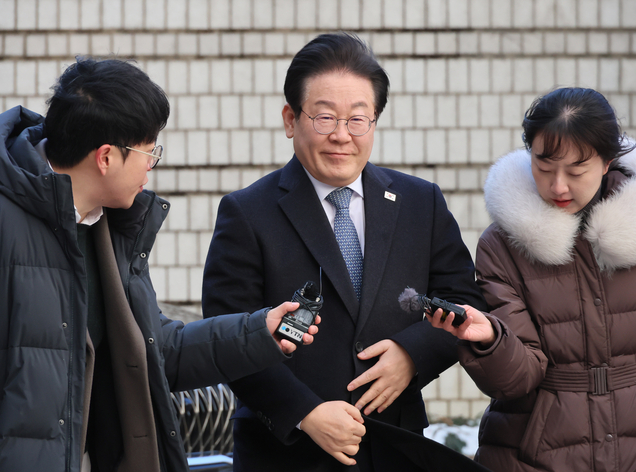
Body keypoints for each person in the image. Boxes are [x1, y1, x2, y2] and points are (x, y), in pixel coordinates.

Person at [0, 57, 319, 472]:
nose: (151, 167)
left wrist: (260, 332)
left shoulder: (110, 223)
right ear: (106, 158)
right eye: (149, 152)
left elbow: (156, 349)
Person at [201, 32, 487, 471]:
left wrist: (412, 355)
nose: (341, 136)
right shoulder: (247, 212)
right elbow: (227, 335)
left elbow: (465, 301)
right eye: (324, 118)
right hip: (286, 455)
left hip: (394, 449)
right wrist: (305, 413)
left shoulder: (419, 202)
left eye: (358, 119)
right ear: (290, 119)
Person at [428, 87, 636, 471]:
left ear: (607, 161)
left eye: (576, 170)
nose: (558, 186)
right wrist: (492, 342)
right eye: (544, 168)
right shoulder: (503, 243)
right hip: (533, 455)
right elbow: (518, 378)